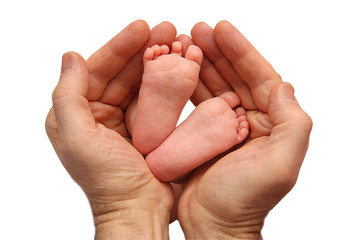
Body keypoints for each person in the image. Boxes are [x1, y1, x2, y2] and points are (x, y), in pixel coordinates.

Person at [45, 20, 312, 239]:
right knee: (142, 132)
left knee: (139, 128)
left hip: (144, 170)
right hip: (190, 182)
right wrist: (228, 231)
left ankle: (148, 126)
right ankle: (156, 131)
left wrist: (125, 210)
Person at [131, 41, 249, 181]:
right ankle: (164, 161)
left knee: (130, 119)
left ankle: (146, 138)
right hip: (181, 189)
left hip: (138, 184)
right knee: (131, 117)